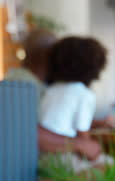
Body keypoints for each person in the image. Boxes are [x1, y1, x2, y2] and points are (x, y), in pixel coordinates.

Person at [4, 29, 104, 161]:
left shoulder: (39, 85)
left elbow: (49, 123)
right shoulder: (21, 85)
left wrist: (97, 124)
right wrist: (79, 144)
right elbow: (22, 131)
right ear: (47, 56)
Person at [39, 36, 110, 172]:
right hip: (64, 158)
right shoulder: (84, 93)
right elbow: (84, 139)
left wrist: (98, 123)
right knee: (113, 166)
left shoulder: (50, 90)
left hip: (42, 158)